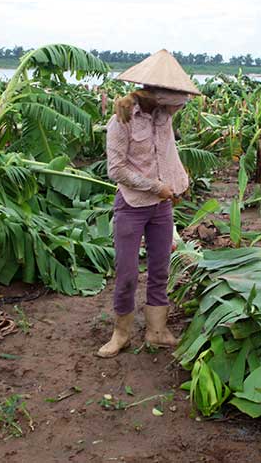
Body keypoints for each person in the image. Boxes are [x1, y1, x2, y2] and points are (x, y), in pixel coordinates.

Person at [97, 50, 201, 358]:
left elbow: (184, 98)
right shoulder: (121, 120)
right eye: (166, 96)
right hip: (132, 204)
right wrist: (155, 186)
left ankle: (157, 331)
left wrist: (177, 183)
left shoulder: (164, 117)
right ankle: (121, 333)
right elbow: (115, 170)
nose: (174, 104)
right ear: (153, 93)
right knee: (127, 272)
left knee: (160, 269)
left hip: (161, 208)